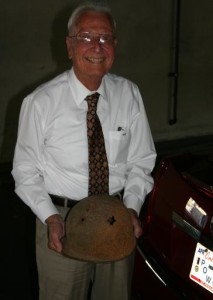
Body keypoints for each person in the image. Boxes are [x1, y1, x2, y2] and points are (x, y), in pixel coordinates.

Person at [12, 2, 156, 300]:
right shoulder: (40, 103)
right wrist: (50, 218)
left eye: (105, 38)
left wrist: (132, 207)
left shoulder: (129, 94)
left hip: (116, 219)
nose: (97, 46)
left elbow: (141, 161)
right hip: (62, 221)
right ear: (69, 45)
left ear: (115, 45)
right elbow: (25, 173)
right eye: (86, 36)